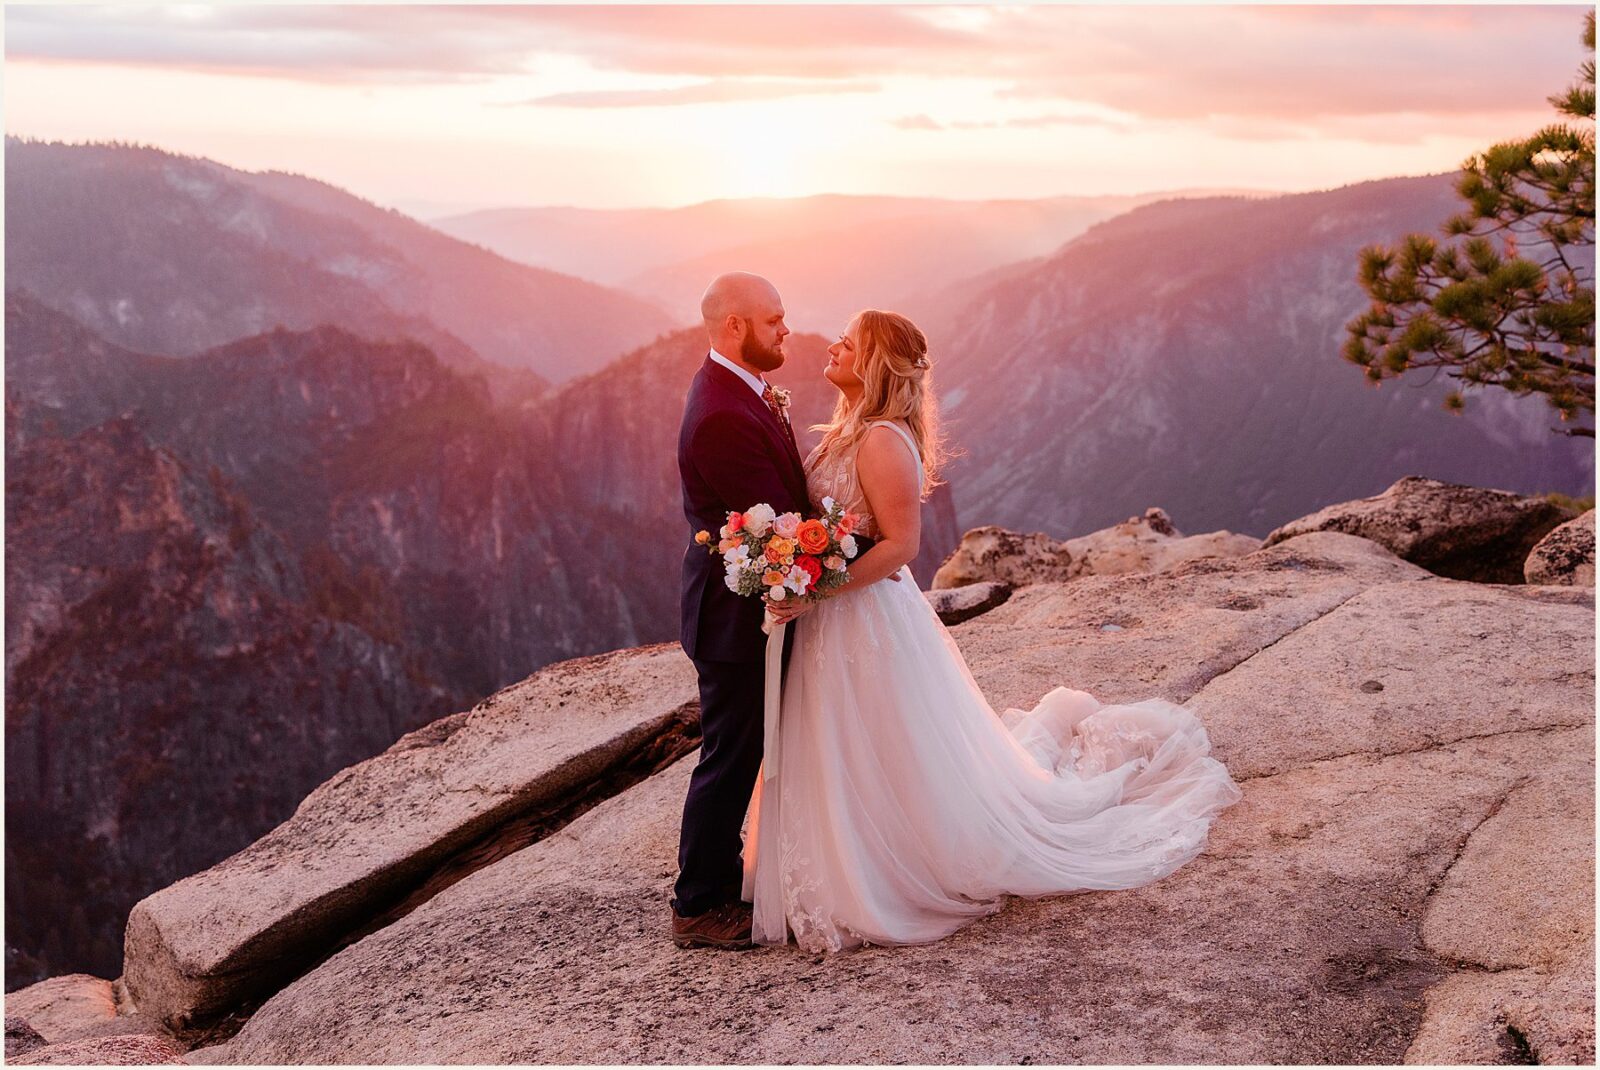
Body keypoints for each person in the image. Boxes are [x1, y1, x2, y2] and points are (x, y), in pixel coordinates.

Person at [740, 308, 1245, 952]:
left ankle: (890, 863)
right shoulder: (847, 429)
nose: (832, 346)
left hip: (860, 614)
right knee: (842, 738)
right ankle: (840, 855)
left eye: (849, 341)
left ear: (876, 364)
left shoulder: (882, 441)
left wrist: (817, 590)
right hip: (830, 615)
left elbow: (900, 546)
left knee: (880, 739)